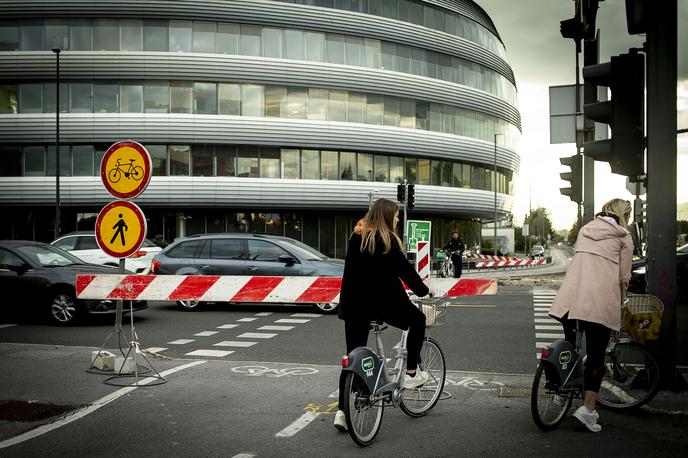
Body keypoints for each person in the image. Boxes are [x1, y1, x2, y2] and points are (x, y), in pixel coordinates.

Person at [333, 198, 434, 432]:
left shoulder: (357, 236)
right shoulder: (387, 240)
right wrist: (424, 290)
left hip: (354, 306)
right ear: (388, 216)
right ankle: (410, 373)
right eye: (396, 215)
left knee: (353, 357)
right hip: (382, 305)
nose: (398, 219)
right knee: (417, 320)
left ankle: (342, 412)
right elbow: (405, 272)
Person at [548, 198, 634, 433]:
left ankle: (559, 391)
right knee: (596, 358)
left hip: (570, 299)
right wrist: (622, 301)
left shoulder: (586, 230)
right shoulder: (623, 237)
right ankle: (587, 411)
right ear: (625, 215)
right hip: (598, 302)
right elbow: (623, 277)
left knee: (570, 348)